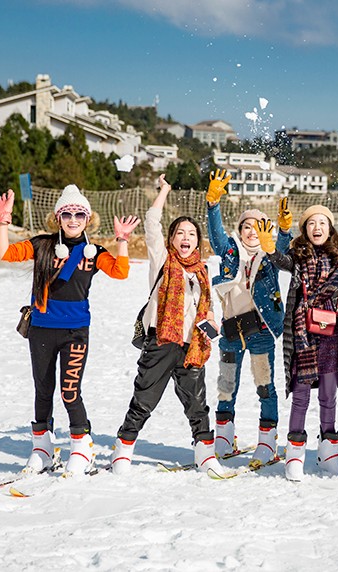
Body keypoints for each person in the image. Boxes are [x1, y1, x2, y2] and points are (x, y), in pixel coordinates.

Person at [0, 186, 139, 476]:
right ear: (57, 218)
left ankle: (82, 448)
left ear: (88, 218)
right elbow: (5, 253)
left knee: (70, 392)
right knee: (43, 391)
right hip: (41, 330)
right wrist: (3, 222)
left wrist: (121, 240)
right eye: (67, 214)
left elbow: (121, 272)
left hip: (75, 332)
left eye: (79, 214)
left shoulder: (93, 252)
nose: (73, 219)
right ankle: (42, 450)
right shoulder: (43, 245)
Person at [253, 207, 338, 481]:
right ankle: (295, 452)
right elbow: (282, 261)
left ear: (330, 229)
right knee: (301, 393)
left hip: (331, 333)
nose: (317, 227)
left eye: (322, 223)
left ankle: (328, 452)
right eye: (311, 223)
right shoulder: (298, 256)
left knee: (328, 394)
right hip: (302, 334)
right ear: (304, 229)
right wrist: (269, 247)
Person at [112, 174, 224, 476]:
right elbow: (151, 223)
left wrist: (211, 319)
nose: (185, 238)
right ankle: (123, 450)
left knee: (197, 404)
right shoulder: (162, 260)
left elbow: (206, 308)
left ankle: (205, 455)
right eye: (179, 233)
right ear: (172, 239)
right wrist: (165, 191)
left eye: (191, 234)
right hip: (161, 342)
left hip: (191, 346)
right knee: (144, 398)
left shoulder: (202, 272)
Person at [206, 169, 291, 466]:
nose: (252, 232)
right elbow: (216, 236)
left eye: (258, 227)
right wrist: (213, 206)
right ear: (240, 230)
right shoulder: (230, 252)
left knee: (264, 386)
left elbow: (281, 250)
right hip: (231, 331)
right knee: (226, 384)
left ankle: (268, 442)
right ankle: (224, 437)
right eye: (246, 227)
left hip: (261, 332)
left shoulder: (269, 255)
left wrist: (282, 231)